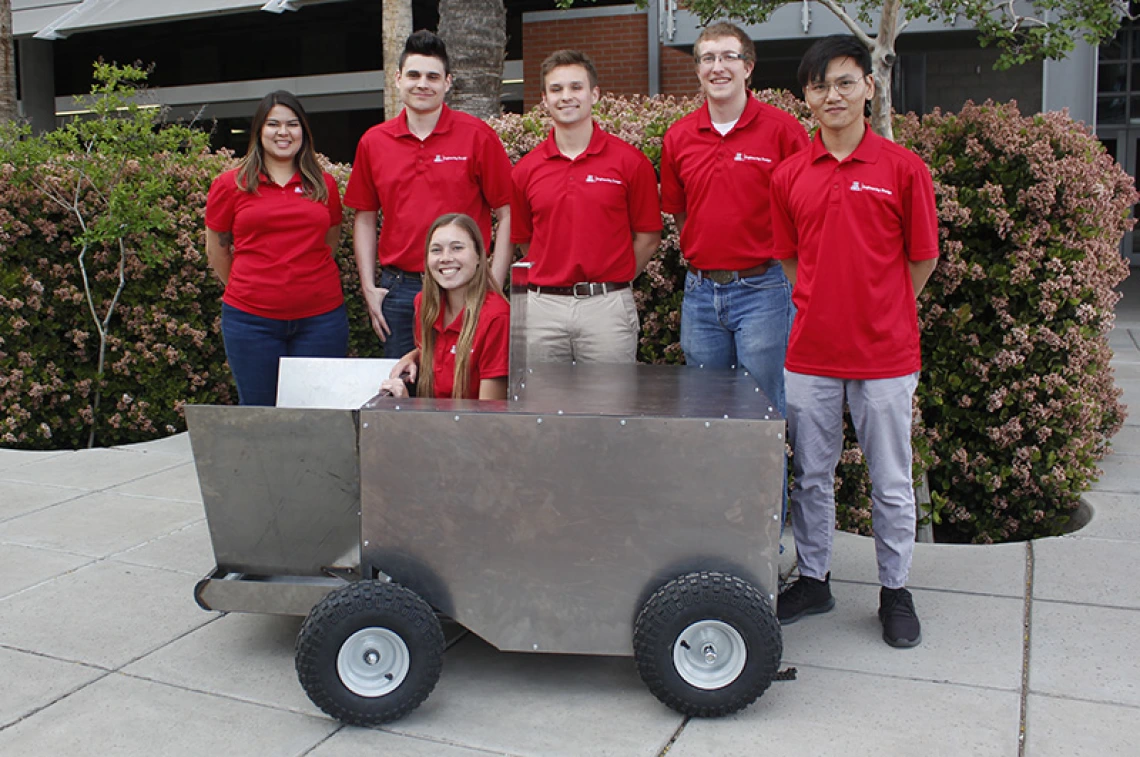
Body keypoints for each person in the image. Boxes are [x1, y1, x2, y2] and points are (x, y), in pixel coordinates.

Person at [770, 35, 940, 648]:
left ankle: (895, 591)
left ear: (869, 87)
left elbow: (921, 260)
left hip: (886, 357)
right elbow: (789, 259)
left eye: (845, 82)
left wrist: (880, 309)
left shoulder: (903, 169)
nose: (832, 94)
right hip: (810, 355)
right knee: (811, 476)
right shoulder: (790, 174)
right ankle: (814, 579)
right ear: (806, 98)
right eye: (819, 85)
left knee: (890, 481)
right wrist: (826, 306)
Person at [660, 21, 808, 415]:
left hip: (764, 291)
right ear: (697, 70)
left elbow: (805, 211)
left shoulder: (783, 131)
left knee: (761, 412)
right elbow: (679, 211)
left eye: (729, 56)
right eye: (708, 58)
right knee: (705, 412)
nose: (718, 67)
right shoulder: (679, 137)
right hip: (701, 294)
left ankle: (766, 482)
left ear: (748, 66)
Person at [344, 30, 513, 360]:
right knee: (402, 394)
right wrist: (369, 287)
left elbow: (507, 212)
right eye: (414, 75)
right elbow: (364, 218)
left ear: (448, 82)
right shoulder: (373, 142)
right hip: (400, 290)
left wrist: (493, 281)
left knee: (466, 392)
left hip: (464, 285)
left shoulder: (477, 136)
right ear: (398, 79)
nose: (423, 84)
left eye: (433, 76)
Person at [510, 49, 662, 364]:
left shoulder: (631, 163)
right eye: (556, 89)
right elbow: (525, 240)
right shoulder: (525, 170)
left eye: (576, 87)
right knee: (543, 409)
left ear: (594, 94)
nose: (566, 96)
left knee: (609, 409)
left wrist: (613, 279)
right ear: (544, 99)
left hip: (606, 308)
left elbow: (647, 237)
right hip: (543, 310)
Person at [205, 90, 347, 406]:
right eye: (273, 124)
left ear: (304, 132)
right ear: (259, 131)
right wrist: (251, 289)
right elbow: (216, 250)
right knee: (260, 417)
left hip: (321, 320)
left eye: (292, 124)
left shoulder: (324, 184)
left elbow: (330, 239)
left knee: (318, 413)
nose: (283, 132)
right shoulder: (231, 185)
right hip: (250, 323)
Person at [381, 214, 509, 400]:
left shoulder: (496, 317)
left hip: (469, 425)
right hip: (430, 420)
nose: (445, 258)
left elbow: (489, 414)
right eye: (436, 250)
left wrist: (407, 407)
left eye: (457, 248)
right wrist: (412, 357)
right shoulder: (425, 304)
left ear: (480, 256)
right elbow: (443, 350)